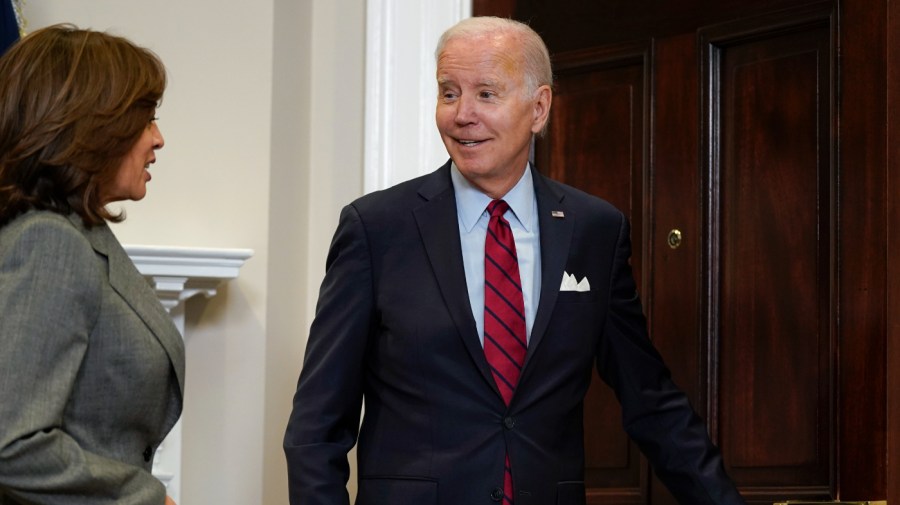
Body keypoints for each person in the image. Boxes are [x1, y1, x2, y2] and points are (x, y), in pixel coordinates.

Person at [284, 16, 745, 505]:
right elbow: (317, 427)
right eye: (448, 92)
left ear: (539, 107)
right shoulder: (376, 229)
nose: (462, 114)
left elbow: (651, 401)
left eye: (486, 94)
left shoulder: (594, 231)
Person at [0, 25, 183, 505]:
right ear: (93, 125)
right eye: (146, 119)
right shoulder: (48, 243)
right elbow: (11, 443)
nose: (159, 139)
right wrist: (143, 496)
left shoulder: (78, 234)